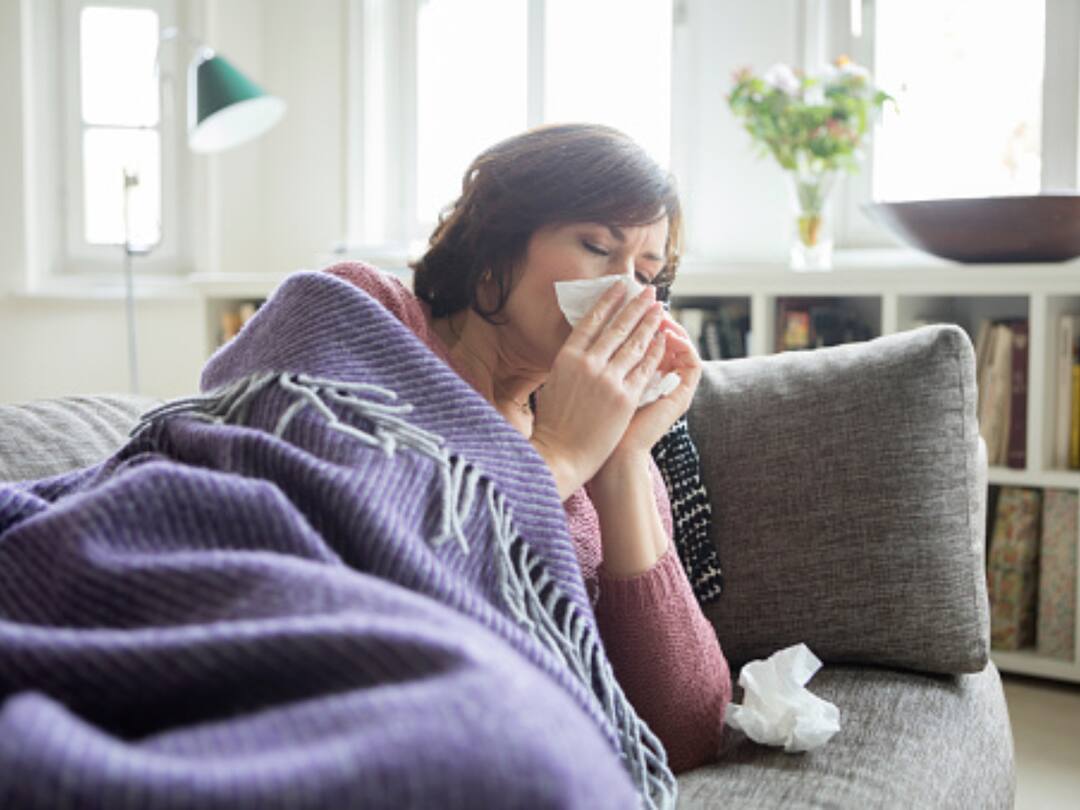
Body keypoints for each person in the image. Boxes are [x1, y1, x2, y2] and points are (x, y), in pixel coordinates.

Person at [325, 123, 731, 773]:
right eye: (597, 246)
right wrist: (559, 455)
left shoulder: (609, 444)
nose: (625, 293)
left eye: (646, 274)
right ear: (497, 245)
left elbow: (685, 732)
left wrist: (621, 462)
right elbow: (357, 567)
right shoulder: (369, 311)